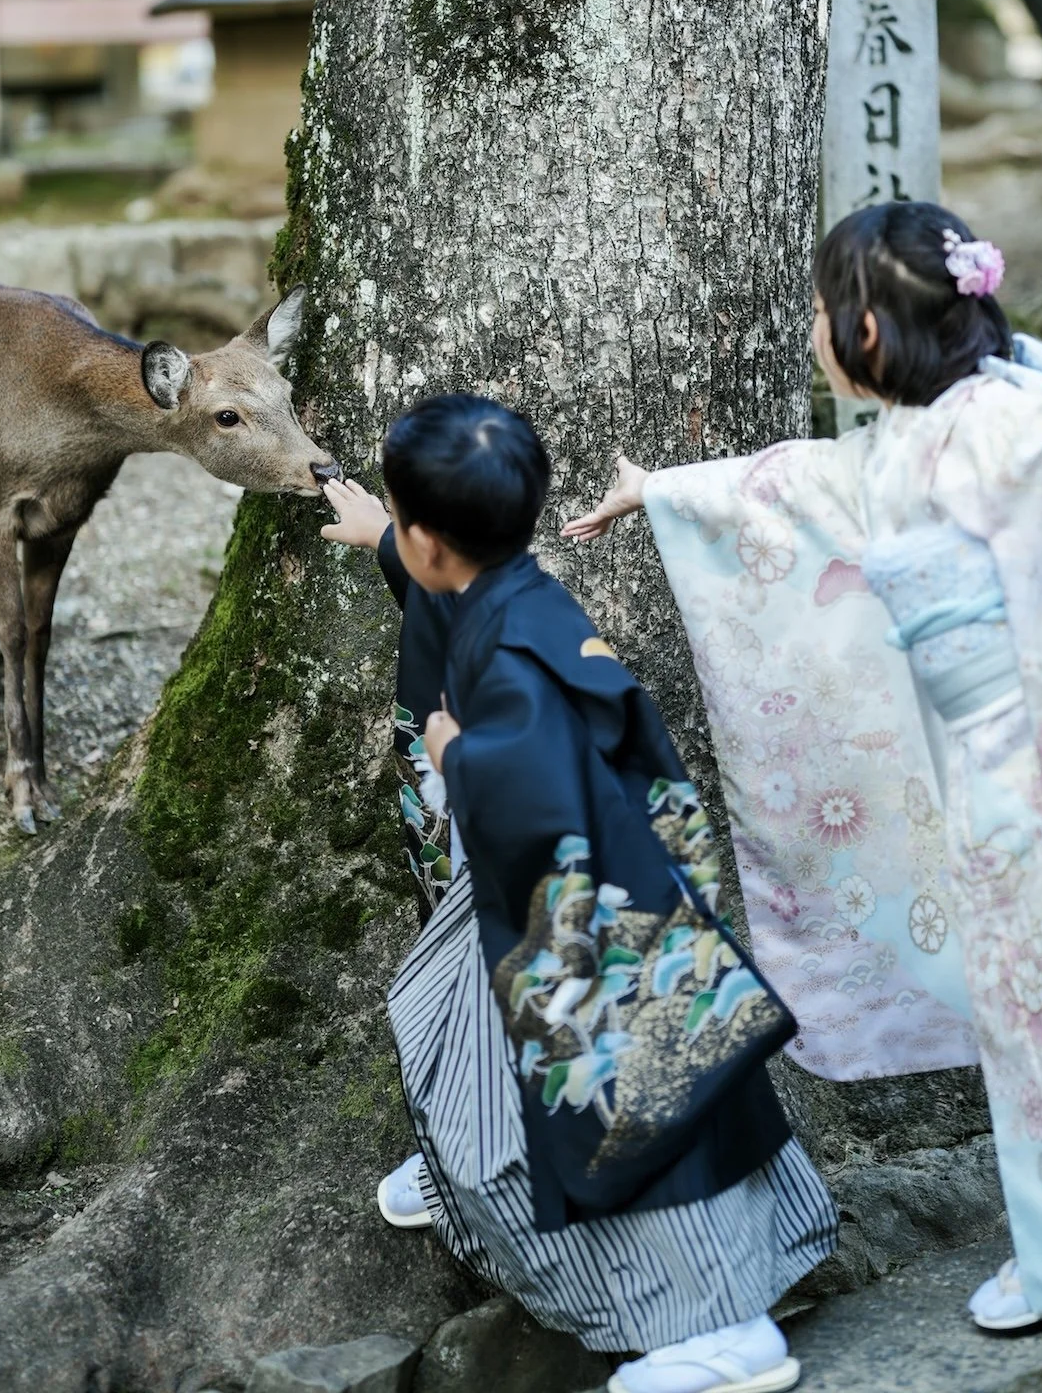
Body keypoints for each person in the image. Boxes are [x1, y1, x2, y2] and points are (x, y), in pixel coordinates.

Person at [566, 201, 1042, 1374]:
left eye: (813, 311)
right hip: (986, 785)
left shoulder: (1008, 423)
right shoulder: (912, 434)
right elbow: (804, 485)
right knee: (1028, 1027)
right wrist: (665, 490)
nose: (809, 331)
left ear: (860, 323)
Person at [321, 394, 837, 1393]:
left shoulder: (510, 656)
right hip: (590, 888)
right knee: (521, 1058)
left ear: (433, 537)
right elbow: (448, 591)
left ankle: (718, 1334)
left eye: (399, 518)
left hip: (586, 915)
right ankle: (710, 1287)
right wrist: (389, 543)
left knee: (623, 1104)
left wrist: (456, 756)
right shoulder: (517, 597)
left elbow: (530, 777)